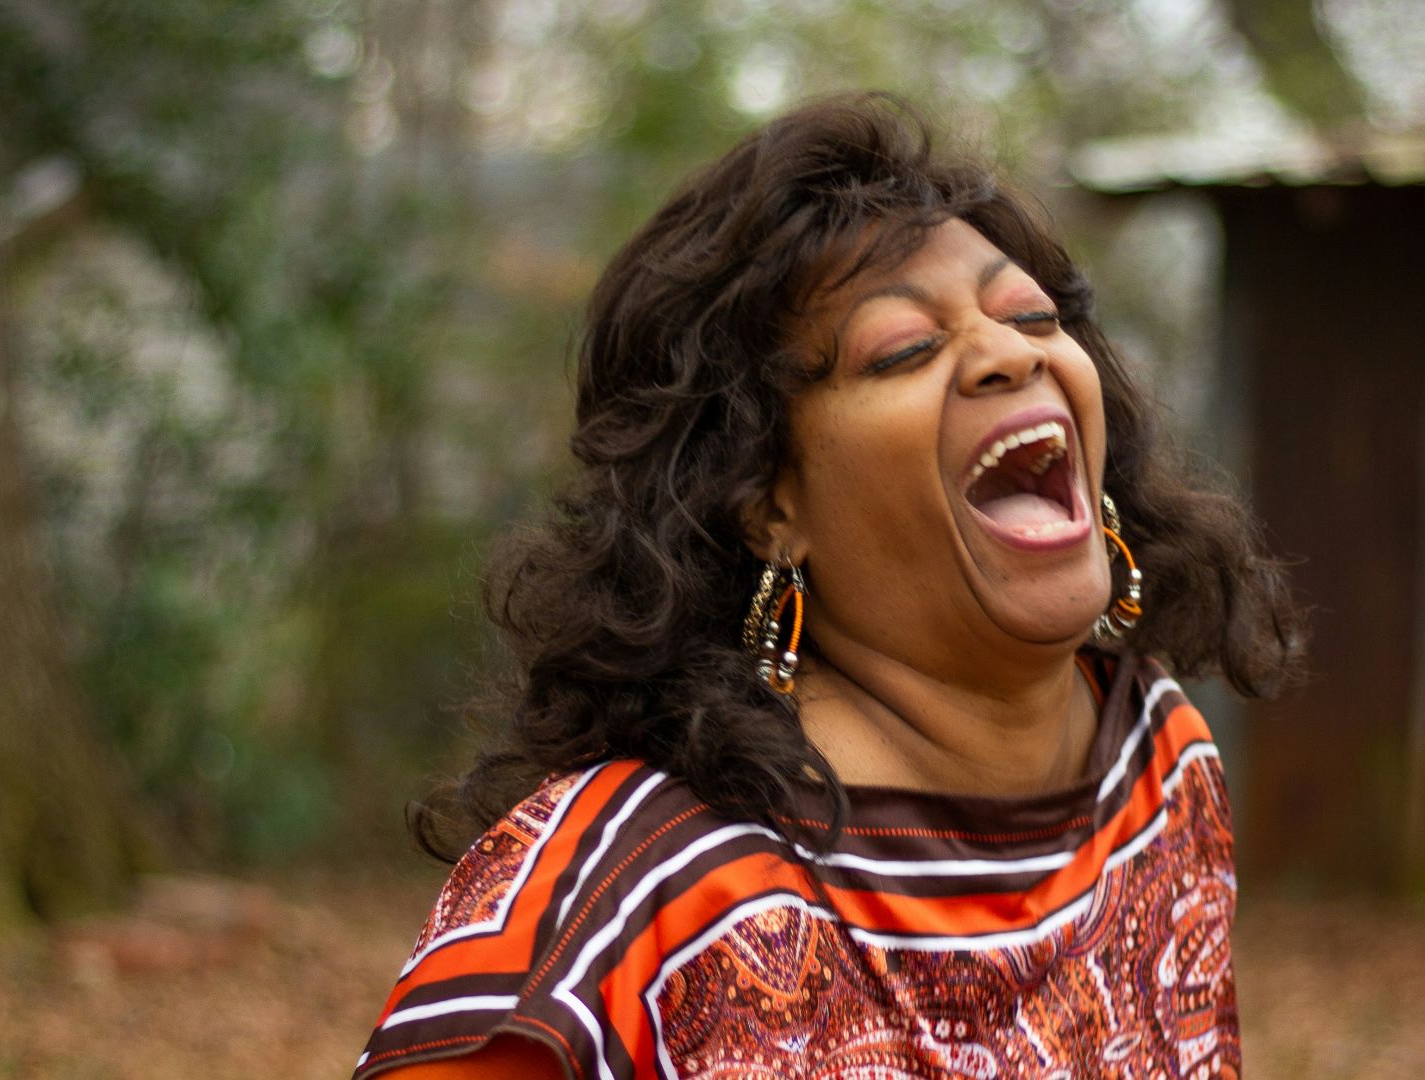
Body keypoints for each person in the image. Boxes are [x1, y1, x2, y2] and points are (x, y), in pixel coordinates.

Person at [353, 92, 1302, 1080]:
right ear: (764, 499)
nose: (1012, 353)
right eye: (905, 349)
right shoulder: (623, 907)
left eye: (1034, 316)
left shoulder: (1160, 764)